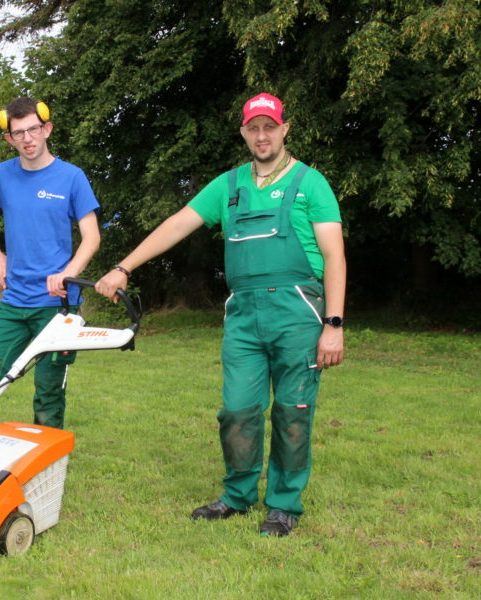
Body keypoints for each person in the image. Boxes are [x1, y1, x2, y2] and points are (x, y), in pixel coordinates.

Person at [95, 93, 346, 537]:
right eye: (254, 128)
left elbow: (335, 255)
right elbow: (176, 224)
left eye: (270, 127)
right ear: (245, 132)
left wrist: (334, 324)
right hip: (244, 316)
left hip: (299, 312)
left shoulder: (311, 184)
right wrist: (124, 266)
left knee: (293, 409)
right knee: (238, 409)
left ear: (285, 129)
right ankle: (237, 496)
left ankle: (284, 504)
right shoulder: (228, 186)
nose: (262, 135)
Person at [0, 97, 101, 433]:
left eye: (33, 130)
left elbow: (92, 237)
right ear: (9, 138)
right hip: (13, 303)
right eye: (19, 133)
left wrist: (69, 273)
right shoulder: (1, 176)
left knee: (49, 392)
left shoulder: (71, 177)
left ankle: (46, 464)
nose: (27, 139)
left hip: (57, 307)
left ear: (47, 129)